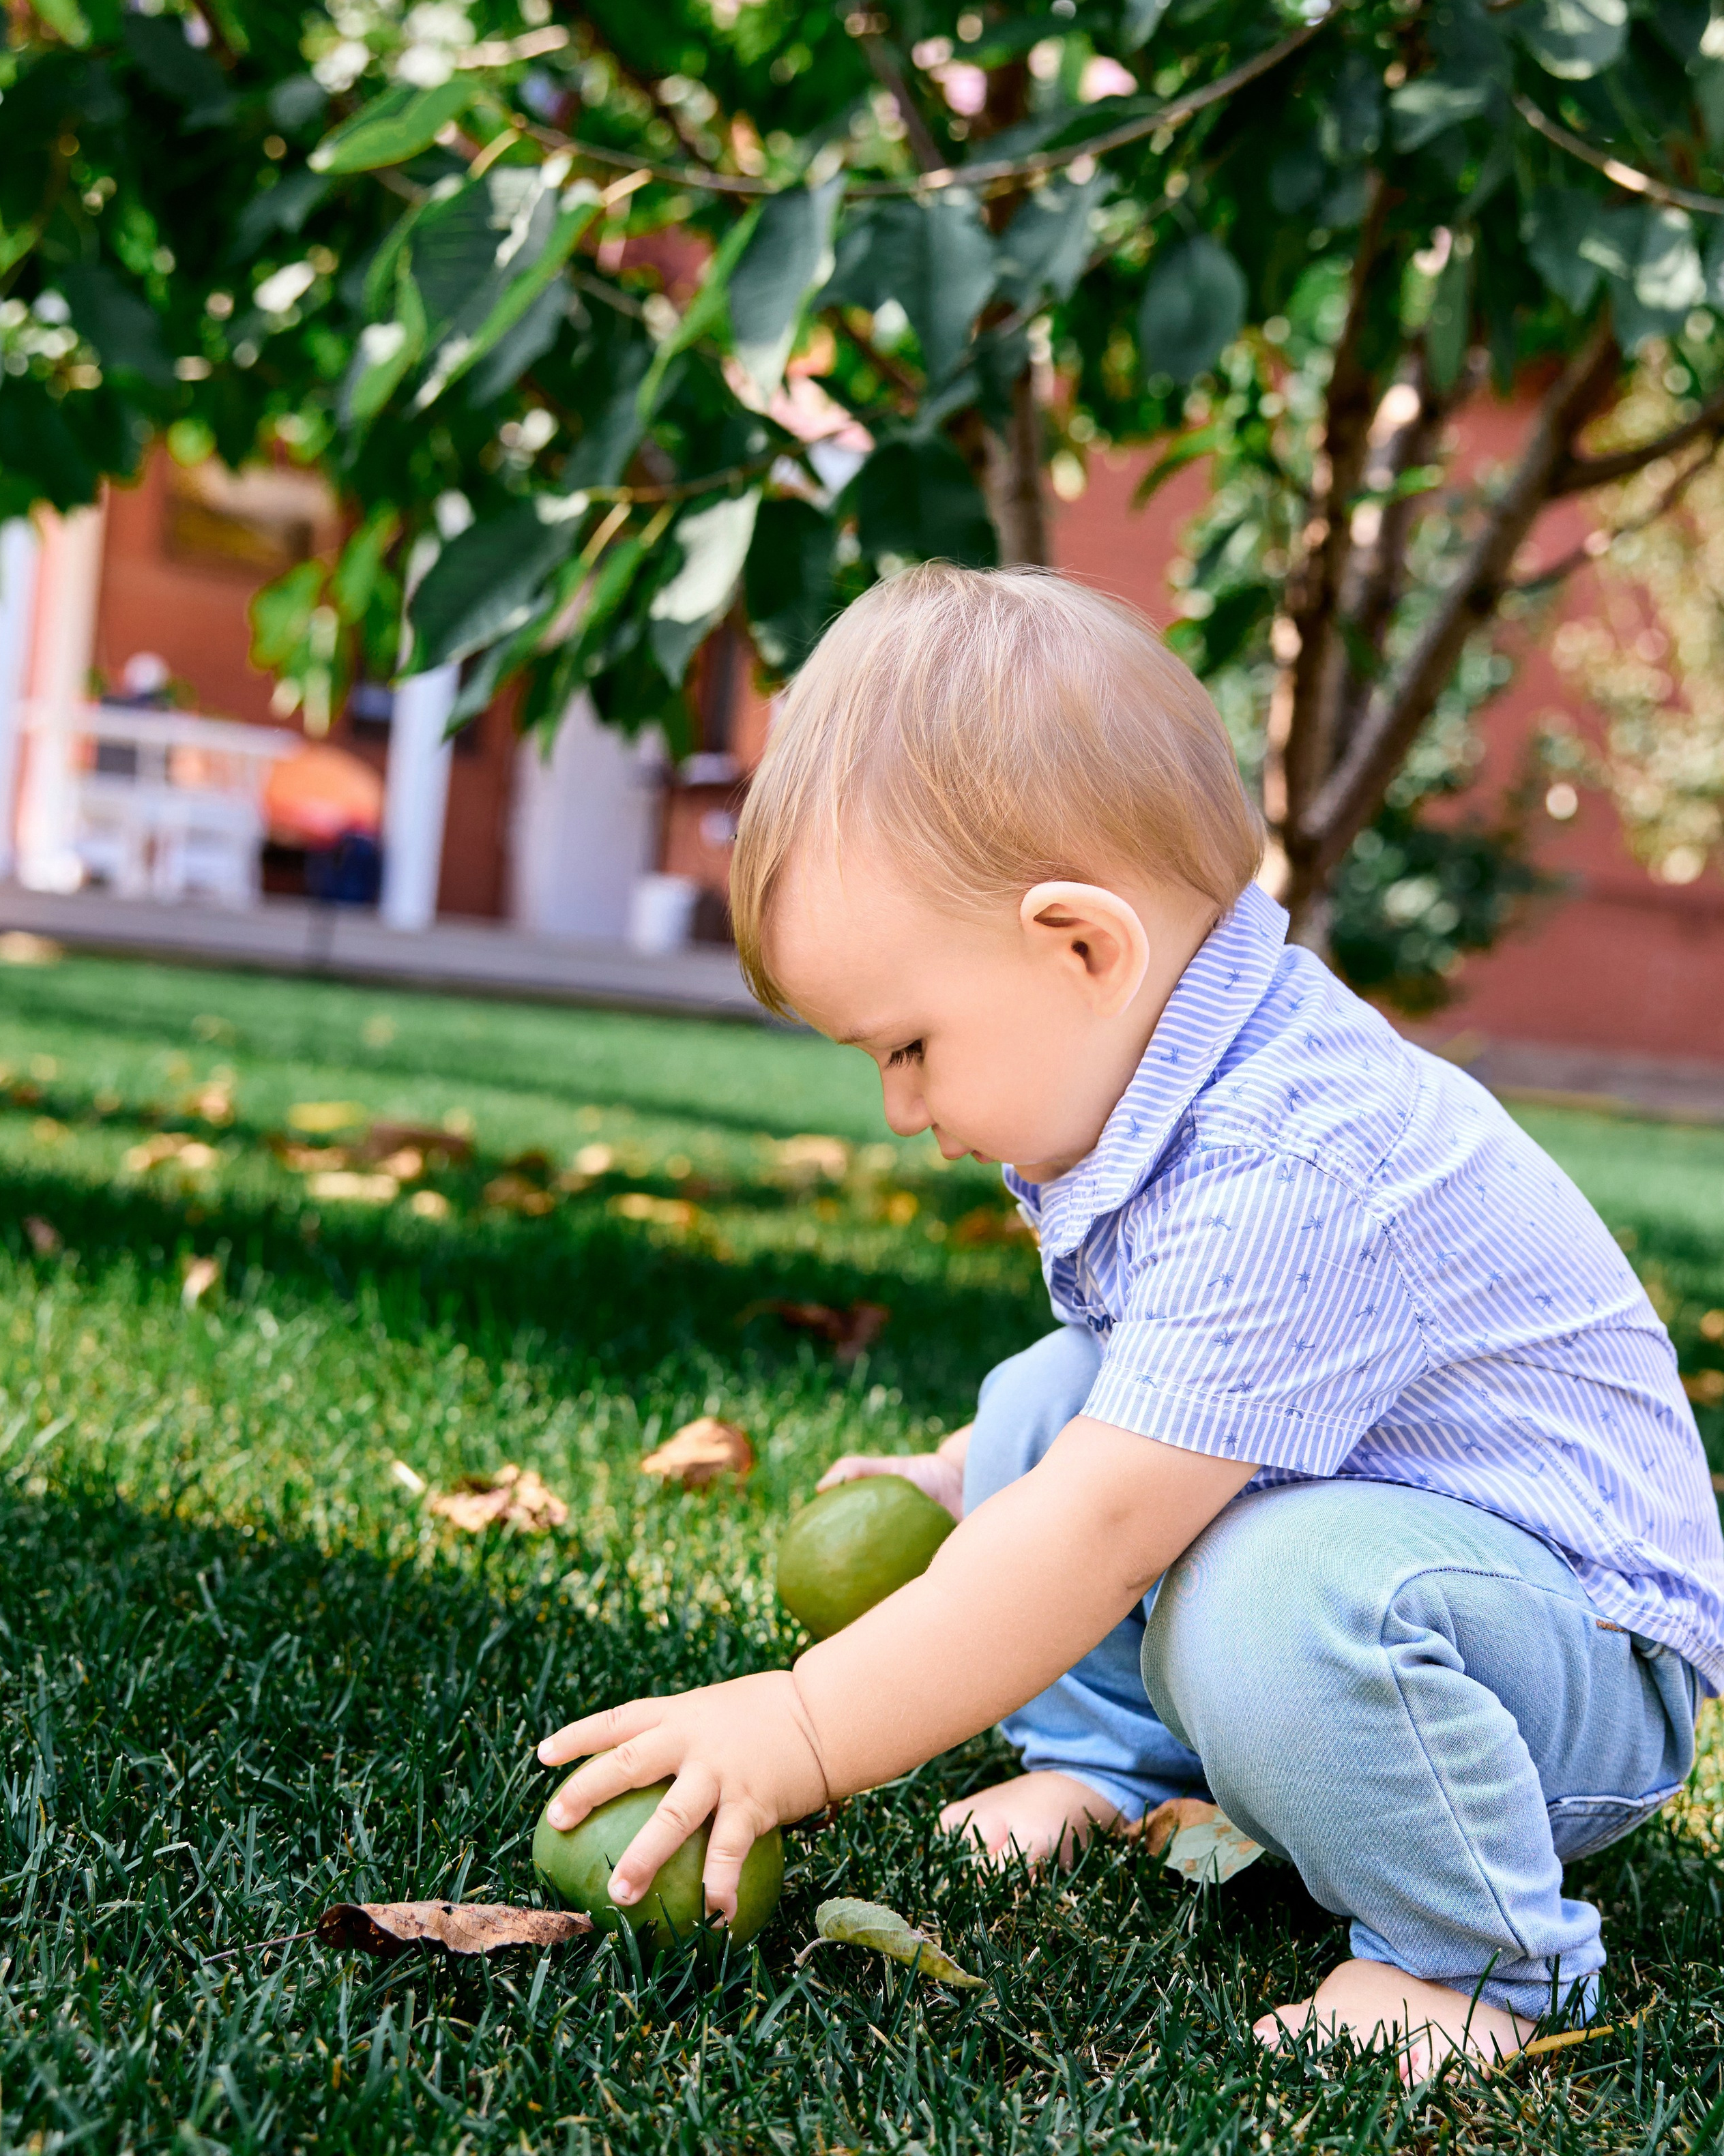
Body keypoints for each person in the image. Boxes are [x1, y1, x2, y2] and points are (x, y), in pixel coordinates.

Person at [539, 566, 1721, 2073]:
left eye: (908, 1047)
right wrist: (967, 1475)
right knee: (1052, 1404)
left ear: (1081, 948)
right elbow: (1126, 1396)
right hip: (1415, 1545)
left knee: (1256, 1593)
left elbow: (1104, 1527)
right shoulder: (1173, 1087)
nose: (899, 1111)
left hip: (1557, 1672)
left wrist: (806, 1722)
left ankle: (1476, 1962)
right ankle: (1108, 1764)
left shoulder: (1291, 1158)